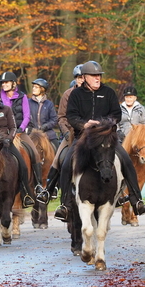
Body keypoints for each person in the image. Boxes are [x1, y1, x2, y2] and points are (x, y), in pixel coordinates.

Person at [52, 61, 145, 221]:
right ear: (84, 77)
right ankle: (65, 205)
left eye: (99, 75)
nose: (97, 78)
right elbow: (71, 116)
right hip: (83, 136)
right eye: (94, 75)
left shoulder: (109, 93)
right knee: (65, 164)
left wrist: (103, 124)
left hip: (106, 135)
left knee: (126, 160)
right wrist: (84, 124)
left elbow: (116, 115)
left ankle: (136, 200)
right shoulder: (75, 95)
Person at [36, 64, 84, 203]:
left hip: (91, 134)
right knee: (58, 159)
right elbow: (61, 117)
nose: (81, 80)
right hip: (71, 133)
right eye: (78, 77)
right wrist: (66, 132)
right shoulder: (68, 94)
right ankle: (49, 190)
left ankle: (124, 192)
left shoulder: (95, 94)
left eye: (83, 77)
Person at [0, 71, 49, 200]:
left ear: (13, 84)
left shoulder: (22, 97)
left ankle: (38, 186)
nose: (4, 84)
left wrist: (20, 128)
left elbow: (27, 115)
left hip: (20, 132)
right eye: (2, 83)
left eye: (6, 82)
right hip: (5, 133)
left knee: (34, 153)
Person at [28, 78, 59, 151]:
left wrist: (45, 126)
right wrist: (30, 128)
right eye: (33, 87)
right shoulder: (28, 102)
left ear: (42, 89)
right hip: (32, 133)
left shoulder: (49, 104)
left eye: (36, 87)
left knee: (57, 149)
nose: (33, 88)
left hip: (47, 133)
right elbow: (25, 117)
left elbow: (54, 119)